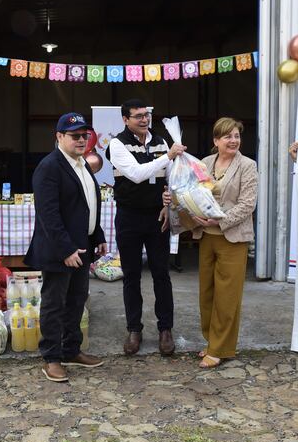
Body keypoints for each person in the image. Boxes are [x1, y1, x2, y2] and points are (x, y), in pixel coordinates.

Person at [24, 112, 108, 382]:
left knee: (76, 302)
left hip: (82, 247)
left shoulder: (82, 165)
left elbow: (87, 206)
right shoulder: (50, 167)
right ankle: (51, 357)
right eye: (75, 136)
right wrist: (66, 250)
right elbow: (48, 215)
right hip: (60, 250)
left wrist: (99, 236)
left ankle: (72, 350)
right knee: (54, 303)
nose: (81, 140)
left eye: (84, 136)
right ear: (59, 137)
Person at [106, 99, 186, 356]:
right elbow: (138, 174)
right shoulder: (117, 144)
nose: (144, 119)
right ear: (125, 119)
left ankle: (165, 329)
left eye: (146, 115)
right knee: (131, 275)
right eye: (138, 116)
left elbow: (172, 177)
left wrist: (168, 202)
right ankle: (134, 329)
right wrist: (168, 156)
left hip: (156, 216)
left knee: (161, 274)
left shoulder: (161, 141)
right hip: (128, 217)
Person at [188, 118, 258, 368]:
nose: (234, 140)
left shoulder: (248, 166)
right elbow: (196, 192)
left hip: (232, 238)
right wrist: (192, 210)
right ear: (216, 141)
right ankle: (211, 340)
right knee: (207, 293)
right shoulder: (205, 164)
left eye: (237, 135)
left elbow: (248, 204)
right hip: (206, 237)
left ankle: (220, 348)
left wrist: (218, 221)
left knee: (227, 296)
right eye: (227, 136)